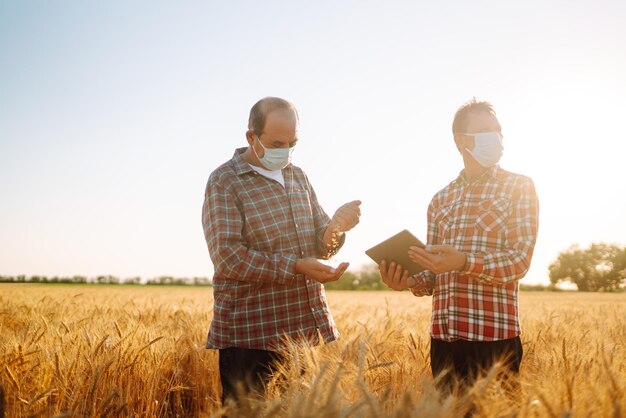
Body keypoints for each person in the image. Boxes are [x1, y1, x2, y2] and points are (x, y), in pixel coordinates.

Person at [201, 96, 361, 404]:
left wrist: (335, 229)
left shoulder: (297, 176)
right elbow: (228, 257)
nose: (284, 151)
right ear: (251, 137)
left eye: (292, 143)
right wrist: (297, 266)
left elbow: (318, 240)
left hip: (302, 334)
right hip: (250, 338)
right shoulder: (224, 181)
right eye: (276, 143)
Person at [380, 98, 539, 393]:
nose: (497, 137)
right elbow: (433, 275)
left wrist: (464, 262)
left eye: (498, 129)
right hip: (443, 341)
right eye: (486, 130)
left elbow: (520, 261)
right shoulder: (441, 199)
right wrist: (407, 280)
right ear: (462, 141)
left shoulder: (520, 187)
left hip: (494, 341)